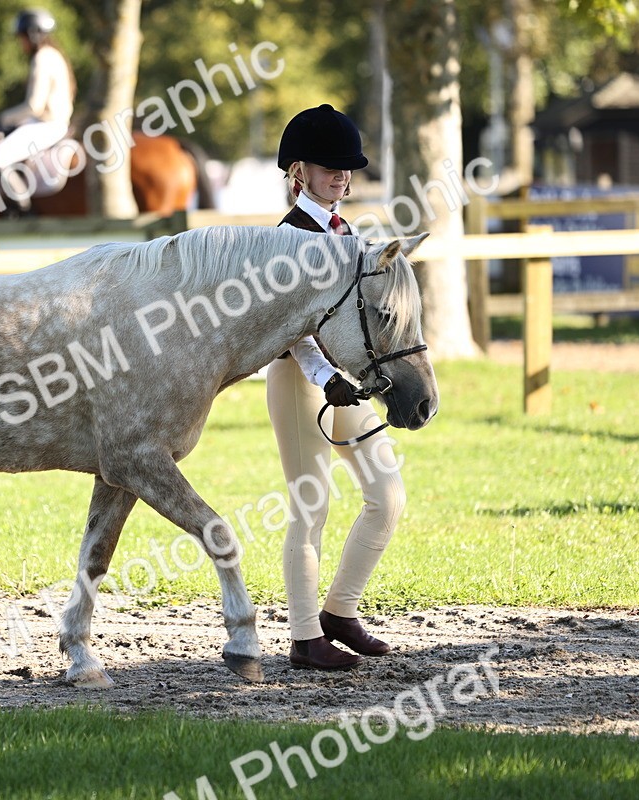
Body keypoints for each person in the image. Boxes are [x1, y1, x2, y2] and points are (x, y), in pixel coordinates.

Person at [267, 104, 405, 670]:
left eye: (347, 168)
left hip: (346, 383)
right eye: (330, 167)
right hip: (299, 381)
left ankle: (339, 612)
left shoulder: (347, 232)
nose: (342, 176)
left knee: (387, 495)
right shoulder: (287, 239)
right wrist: (327, 378)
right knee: (312, 504)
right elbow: (291, 330)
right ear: (299, 170)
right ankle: (304, 638)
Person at [0, 8, 75, 208]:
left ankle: (23, 209)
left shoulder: (42, 58)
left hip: (46, 125)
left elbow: (34, 105)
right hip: (51, 122)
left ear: (33, 35)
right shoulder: (54, 54)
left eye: (22, 37)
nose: (20, 42)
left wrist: (2, 119)